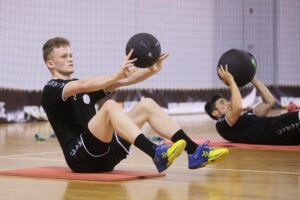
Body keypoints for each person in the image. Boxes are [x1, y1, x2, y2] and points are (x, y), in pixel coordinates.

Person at [41, 37, 229, 173]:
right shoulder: (52, 89)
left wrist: (151, 70)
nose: (70, 58)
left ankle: (195, 152)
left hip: (107, 155)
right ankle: (155, 153)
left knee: (146, 104)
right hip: (81, 157)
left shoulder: (83, 85)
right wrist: (116, 75)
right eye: (64, 56)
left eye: (71, 54)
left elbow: (123, 81)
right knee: (110, 107)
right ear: (50, 64)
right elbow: (81, 85)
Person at [205, 65, 300, 145]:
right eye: (222, 102)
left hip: (283, 123)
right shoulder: (222, 125)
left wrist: (251, 77)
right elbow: (237, 107)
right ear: (215, 112)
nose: (227, 102)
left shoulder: (246, 116)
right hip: (279, 130)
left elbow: (269, 101)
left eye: (225, 100)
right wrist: (230, 81)